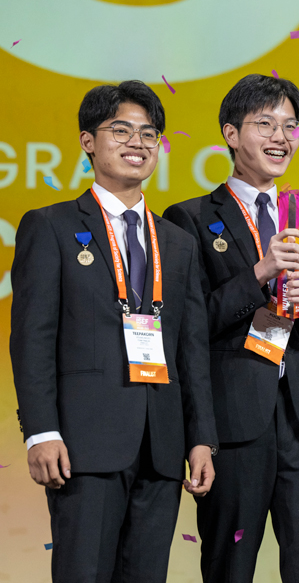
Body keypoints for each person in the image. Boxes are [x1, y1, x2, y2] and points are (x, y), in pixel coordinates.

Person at [10, 81, 217, 582]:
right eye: (120, 129)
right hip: (84, 444)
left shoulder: (177, 241)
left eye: (150, 133)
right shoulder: (51, 226)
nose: (138, 143)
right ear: (88, 142)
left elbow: (191, 350)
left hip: (162, 444)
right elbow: (31, 338)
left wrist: (201, 437)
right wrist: (41, 431)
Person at [164, 74, 299, 582]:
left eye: (290, 126)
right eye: (264, 123)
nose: (280, 137)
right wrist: (260, 274)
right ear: (229, 134)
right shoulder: (191, 218)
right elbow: (188, 327)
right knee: (230, 567)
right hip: (233, 423)